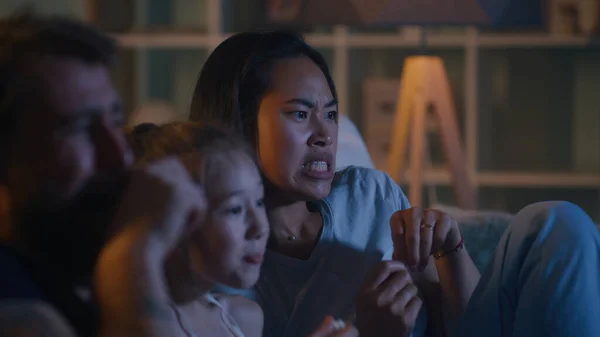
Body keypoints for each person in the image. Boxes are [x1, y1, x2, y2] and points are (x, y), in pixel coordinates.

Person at [189, 30, 600, 337]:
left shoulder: (370, 196)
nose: (324, 134)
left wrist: (449, 252)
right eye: (300, 114)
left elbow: (463, 325)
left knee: (557, 222)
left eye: (330, 114)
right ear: (239, 127)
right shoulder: (222, 274)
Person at [0, 12, 206, 337]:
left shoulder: (65, 278)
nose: (119, 155)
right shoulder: (16, 312)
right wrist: (136, 250)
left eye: (114, 120)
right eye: (78, 128)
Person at [126, 121, 360, 337]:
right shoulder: (137, 325)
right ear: (171, 218)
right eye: (235, 209)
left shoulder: (242, 317)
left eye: (259, 202)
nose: (259, 228)